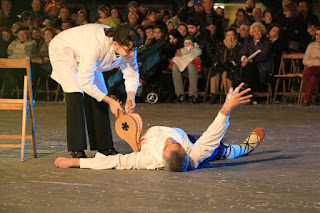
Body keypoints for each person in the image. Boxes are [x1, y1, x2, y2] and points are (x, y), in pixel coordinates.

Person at [55, 83, 265, 172]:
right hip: (192, 141)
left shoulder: (146, 159)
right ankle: (244, 148)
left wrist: (73, 162)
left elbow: (113, 161)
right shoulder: (194, 154)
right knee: (217, 149)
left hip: (162, 140)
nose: (170, 141)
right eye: (174, 144)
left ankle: (237, 149)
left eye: (169, 145)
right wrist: (226, 107)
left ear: (161, 161)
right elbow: (213, 134)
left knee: (213, 151)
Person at [48, 24, 141, 158]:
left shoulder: (129, 44)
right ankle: (76, 148)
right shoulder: (97, 46)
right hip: (64, 49)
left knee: (100, 93)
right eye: (129, 50)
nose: (132, 53)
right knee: (75, 93)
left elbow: (132, 72)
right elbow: (84, 82)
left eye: (134, 49)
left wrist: (130, 97)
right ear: (116, 44)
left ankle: (105, 147)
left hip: (84, 52)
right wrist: (111, 101)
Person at [239, 22, 273, 94]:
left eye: (258, 31)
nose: (257, 33)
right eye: (254, 31)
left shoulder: (266, 42)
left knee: (249, 67)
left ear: (262, 31)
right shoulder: (248, 41)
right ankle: (248, 91)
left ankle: (248, 91)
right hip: (249, 65)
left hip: (262, 66)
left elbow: (263, 55)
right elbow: (243, 51)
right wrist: (244, 58)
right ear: (252, 33)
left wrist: (248, 61)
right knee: (248, 67)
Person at [210, 27, 242, 104]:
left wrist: (232, 63)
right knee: (215, 74)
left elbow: (239, 58)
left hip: (232, 67)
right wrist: (217, 63)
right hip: (221, 66)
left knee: (226, 74)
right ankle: (213, 94)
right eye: (228, 35)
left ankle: (228, 94)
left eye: (232, 35)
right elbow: (215, 56)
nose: (230, 37)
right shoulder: (220, 45)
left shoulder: (239, 46)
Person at [169, 36, 202, 103]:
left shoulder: (195, 48)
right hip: (183, 62)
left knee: (191, 65)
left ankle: (193, 94)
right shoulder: (182, 48)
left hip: (191, 63)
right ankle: (180, 94)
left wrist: (193, 48)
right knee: (175, 66)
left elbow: (198, 53)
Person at [302, 27, 320, 106]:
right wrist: (314, 61)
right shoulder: (311, 46)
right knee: (313, 77)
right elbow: (304, 61)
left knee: (307, 71)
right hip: (311, 68)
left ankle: (306, 96)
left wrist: (314, 59)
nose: (318, 36)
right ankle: (307, 98)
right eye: (317, 34)